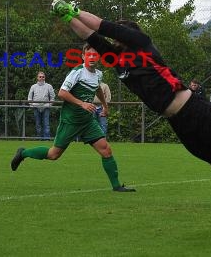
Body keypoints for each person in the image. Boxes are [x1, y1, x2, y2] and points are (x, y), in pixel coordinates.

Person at [48, 0, 211, 226]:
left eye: (119, 33)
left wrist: (74, 9)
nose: (114, 38)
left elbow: (100, 26)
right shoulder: (118, 61)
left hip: (194, 109)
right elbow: (89, 35)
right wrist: (66, 16)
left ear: (128, 33)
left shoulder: (142, 42)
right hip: (178, 122)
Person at [11, 44, 135, 193]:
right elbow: (62, 93)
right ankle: (23, 153)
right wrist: (81, 103)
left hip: (87, 121)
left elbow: (97, 88)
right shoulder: (77, 72)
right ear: (83, 56)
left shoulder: (98, 74)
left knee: (106, 150)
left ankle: (116, 186)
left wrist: (105, 105)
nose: (92, 57)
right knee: (53, 155)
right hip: (71, 120)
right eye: (89, 55)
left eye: (95, 55)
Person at [28, 72, 56, 140]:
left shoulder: (49, 86)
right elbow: (29, 98)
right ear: (37, 78)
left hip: (46, 107)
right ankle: (39, 138)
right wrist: (32, 105)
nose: (41, 78)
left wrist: (49, 105)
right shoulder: (33, 86)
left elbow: (53, 97)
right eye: (40, 77)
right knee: (38, 124)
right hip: (36, 107)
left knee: (46, 124)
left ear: (45, 77)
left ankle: (47, 138)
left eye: (43, 77)